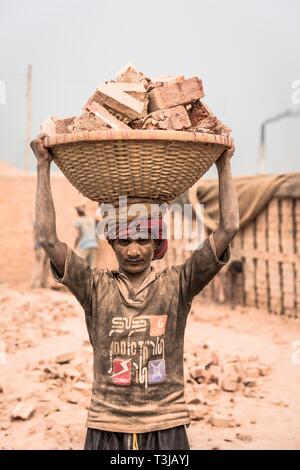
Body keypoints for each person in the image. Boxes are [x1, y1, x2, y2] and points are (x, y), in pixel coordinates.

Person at [31, 134, 239, 450]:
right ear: (112, 243)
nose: (133, 251)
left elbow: (228, 229)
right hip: (106, 420)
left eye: (143, 240)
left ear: (157, 244)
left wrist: (223, 163)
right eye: (124, 241)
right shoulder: (93, 286)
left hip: (166, 420)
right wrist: (43, 164)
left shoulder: (178, 284)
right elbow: (47, 238)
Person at [74, 203, 98, 268]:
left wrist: (75, 245)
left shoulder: (78, 221)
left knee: (78, 263)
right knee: (91, 266)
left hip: (85, 244)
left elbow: (79, 235)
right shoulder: (91, 219)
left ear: (78, 212)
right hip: (93, 244)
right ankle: (91, 278)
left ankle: (79, 278)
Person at [31, 221, 50, 288]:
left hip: (45, 248)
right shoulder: (38, 223)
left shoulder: (43, 222)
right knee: (38, 266)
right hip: (40, 248)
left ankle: (43, 283)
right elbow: (36, 237)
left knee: (46, 266)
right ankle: (34, 284)